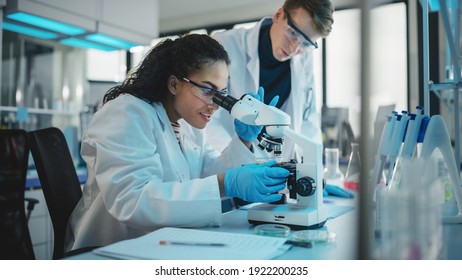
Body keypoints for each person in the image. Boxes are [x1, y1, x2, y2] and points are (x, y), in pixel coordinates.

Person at [65, 34, 290, 252]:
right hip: (109, 252)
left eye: (222, 94)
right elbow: (133, 201)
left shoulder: (188, 125)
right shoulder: (126, 112)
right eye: (208, 90)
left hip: (163, 245)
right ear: (174, 84)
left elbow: (210, 173)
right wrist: (227, 183)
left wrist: (243, 139)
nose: (215, 105)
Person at [206, 0, 334, 163]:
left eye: (305, 43)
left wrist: (312, 170)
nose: (294, 48)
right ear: (278, 15)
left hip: (279, 165)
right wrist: (239, 160)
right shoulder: (226, 45)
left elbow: (308, 120)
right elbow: (209, 118)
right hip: (229, 161)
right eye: (292, 33)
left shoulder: (304, 56)